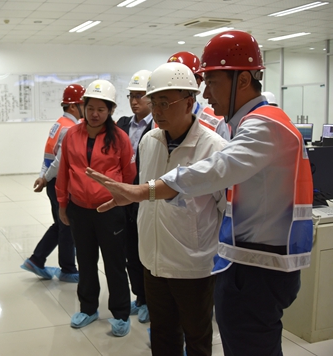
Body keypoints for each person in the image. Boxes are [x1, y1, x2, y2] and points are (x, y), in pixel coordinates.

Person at [86, 30, 313, 356]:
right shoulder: (242, 125)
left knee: (210, 339)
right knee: (171, 336)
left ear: (243, 80)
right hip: (237, 262)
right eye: (154, 102)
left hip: (255, 267)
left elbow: (214, 172)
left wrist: (143, 192)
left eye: (212, 82)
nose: (206, 93)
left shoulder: (262, 126)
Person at [137, 62, 228, 356]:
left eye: (165, 103)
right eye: (153, 102)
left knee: (197, 337)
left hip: (193, 265)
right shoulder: (148, 141)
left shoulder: (213, 147)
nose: (157, 111)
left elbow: (225, 208)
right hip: (153, 259)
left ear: (189, 102)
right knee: (162, 335)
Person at [56, 79, 136, 337]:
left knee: (114, 263)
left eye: (101, 109)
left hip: (109, 209)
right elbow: (64, 171)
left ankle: (121, 313)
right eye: (90, 108)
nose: (94, 114)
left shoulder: (120, 137)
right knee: (86, 260)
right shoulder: (71, 135)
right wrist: (63, 204)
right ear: (83, 107)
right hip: (79, 209)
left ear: (110, 110)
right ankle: (88, 308)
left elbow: (128, 174)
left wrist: (121, 200)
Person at [21, 84, 85, 282]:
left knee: (60, 224)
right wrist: (46, 178)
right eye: (84, 104)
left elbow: (47, 155)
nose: (87, 108)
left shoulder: (59, 124)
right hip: (60, 182)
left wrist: (43, 176)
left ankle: (37, 259)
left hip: (53, 182)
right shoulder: (70, 128)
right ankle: (68, 269)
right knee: (66, 225)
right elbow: (58, 161)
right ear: (73, 106)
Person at [116, 70, 153, 324]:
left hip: (146, 196)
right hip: (124, 196)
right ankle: (139, 296)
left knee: (146, 250)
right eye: (131, 95)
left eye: (140, 96)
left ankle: (150, 300)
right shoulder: (122, 124)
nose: (134, 101)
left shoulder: (158, 125)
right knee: (130, 251)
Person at [167, 51, 230, 140]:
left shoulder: (215, 122)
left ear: (198, 82)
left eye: (180, 79)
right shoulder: (158, 120)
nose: (172, 86)